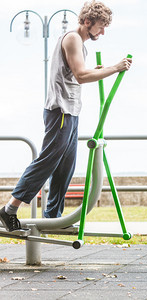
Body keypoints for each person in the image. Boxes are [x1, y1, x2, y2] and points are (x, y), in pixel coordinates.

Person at [0, 0, 132, 231]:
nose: (102, 31)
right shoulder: (72, 38)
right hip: (60, 110)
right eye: (100, 26)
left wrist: (99, 71)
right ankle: (8, 210)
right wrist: (114, 68)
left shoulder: (80, 44)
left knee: (65, 167)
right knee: (47, 161)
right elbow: (81, 75)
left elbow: (77, 72)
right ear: (87, 21)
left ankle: (53, 218)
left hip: (71, 112)